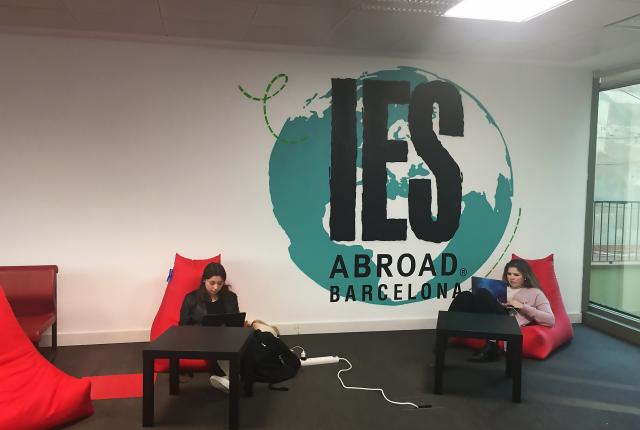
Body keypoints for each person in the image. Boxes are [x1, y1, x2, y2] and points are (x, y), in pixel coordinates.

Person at [448, 259, 555, 362]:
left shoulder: (535, 292)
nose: (511, 278)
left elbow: (550, 320)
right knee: (465, 295)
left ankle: (492, 347)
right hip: (487, 316)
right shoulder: (503, 287)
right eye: (509, 274)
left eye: (516, 275)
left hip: (507, 320)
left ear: (525, 276)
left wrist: (521, 306)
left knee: (483, 293)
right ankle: (443, 340)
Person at [179, 262, 238, 393]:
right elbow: (182, 326)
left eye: (220, 283)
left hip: (227, 337)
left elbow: (235, 321)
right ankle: (234, 380)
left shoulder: (230, 297)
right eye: (212, 283)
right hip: (202, 340)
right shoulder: (191, 298)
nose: (216, 287)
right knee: (220, 346)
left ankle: (230, 381)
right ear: (204, 279)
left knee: (248, 343)